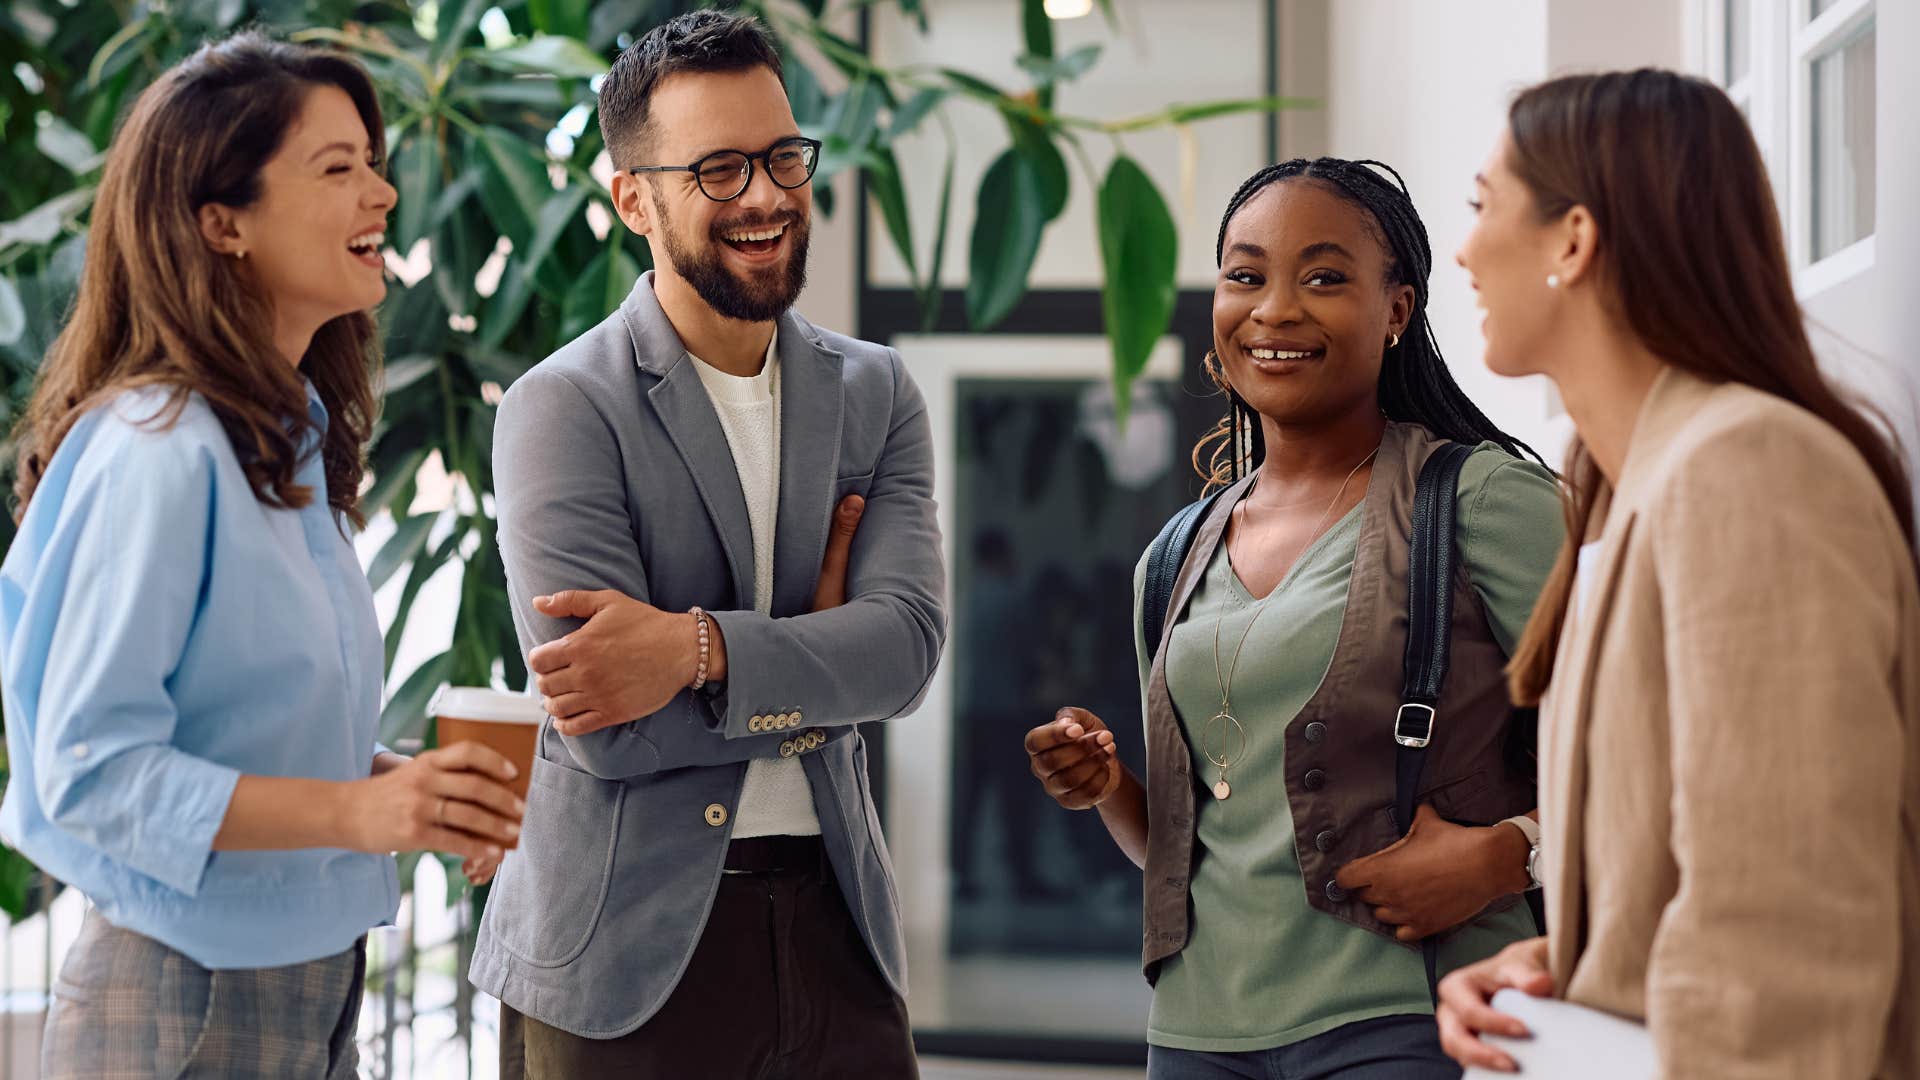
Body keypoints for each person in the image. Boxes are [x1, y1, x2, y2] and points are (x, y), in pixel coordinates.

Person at [0, 32, 526, 1079]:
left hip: (306, 987)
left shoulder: (283, 444)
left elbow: (235, 744)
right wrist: (356, 809)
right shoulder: (159, 448)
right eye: (339, 168)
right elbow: (91, 772)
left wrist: (405, 791)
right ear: (221, 222)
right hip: (180, 999)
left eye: (374, 161)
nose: (382, 192)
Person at [468, 11, 944, 1078]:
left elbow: (905, 651)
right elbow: (606, 733)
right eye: (720, 170)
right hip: (621, 961)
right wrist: (816, 667)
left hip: (838, 940)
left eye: (782, 157)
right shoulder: (562, 407)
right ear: (633, 197)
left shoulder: (875, 393)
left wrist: (695, 652)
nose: (767, 196)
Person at [1024, 156, 1565, 1079]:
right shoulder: (1173, 556)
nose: (1274, 310)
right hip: (1198, 1033)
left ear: (1396, 310)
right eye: (1245, 276)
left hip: (1413, 1021)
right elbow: (1190, 847)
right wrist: (1108, 784)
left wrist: (1513, 856)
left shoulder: (1480, 502)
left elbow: (1646, 739)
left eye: (1323, 277)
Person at [1438, 69, 1919, 1078]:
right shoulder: (1626, 493)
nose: (1464, 248)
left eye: (1484, 206)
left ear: (1573, 239)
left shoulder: (1750, 470)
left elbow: (1790, 940)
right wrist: (1563, 965)